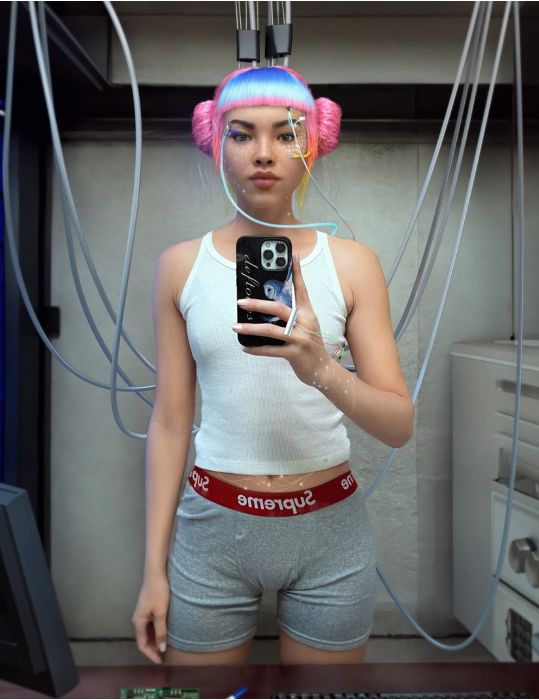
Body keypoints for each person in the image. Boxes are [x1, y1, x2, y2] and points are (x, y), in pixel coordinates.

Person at [132, 65, 414, 667]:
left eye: (286, 134)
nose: (263, 153)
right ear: (216, 143)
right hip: (212, 527)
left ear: (313, 144)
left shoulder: (354, 264)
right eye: (241, 134)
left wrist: (320, 368)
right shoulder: (180, 267)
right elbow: (171, 423)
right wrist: (153, 570)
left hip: (329, 528)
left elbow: (398, 425)